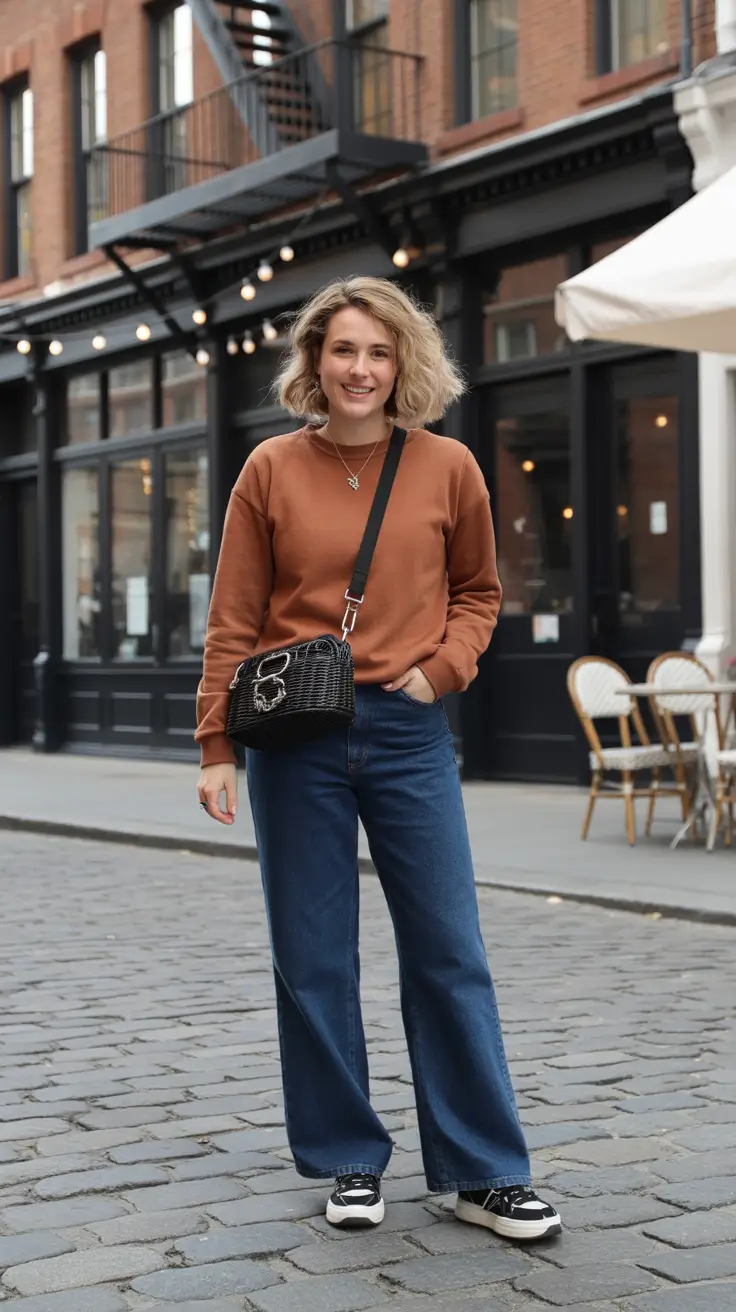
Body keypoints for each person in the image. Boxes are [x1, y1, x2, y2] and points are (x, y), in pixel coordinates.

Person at [195, 276, 561, 1242]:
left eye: (379, 352)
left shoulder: (448, 467)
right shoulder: (270, 469)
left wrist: (442, 672)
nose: (360, 369)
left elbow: (479, 591)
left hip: (406, 733)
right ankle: (348, 1159)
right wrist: (214, 745)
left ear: (403, 364)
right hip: (294, 740)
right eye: (344, 350)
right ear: (314, 360)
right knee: (313, 958)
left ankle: (483, 1170)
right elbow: (234, 618)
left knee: (448, 947)